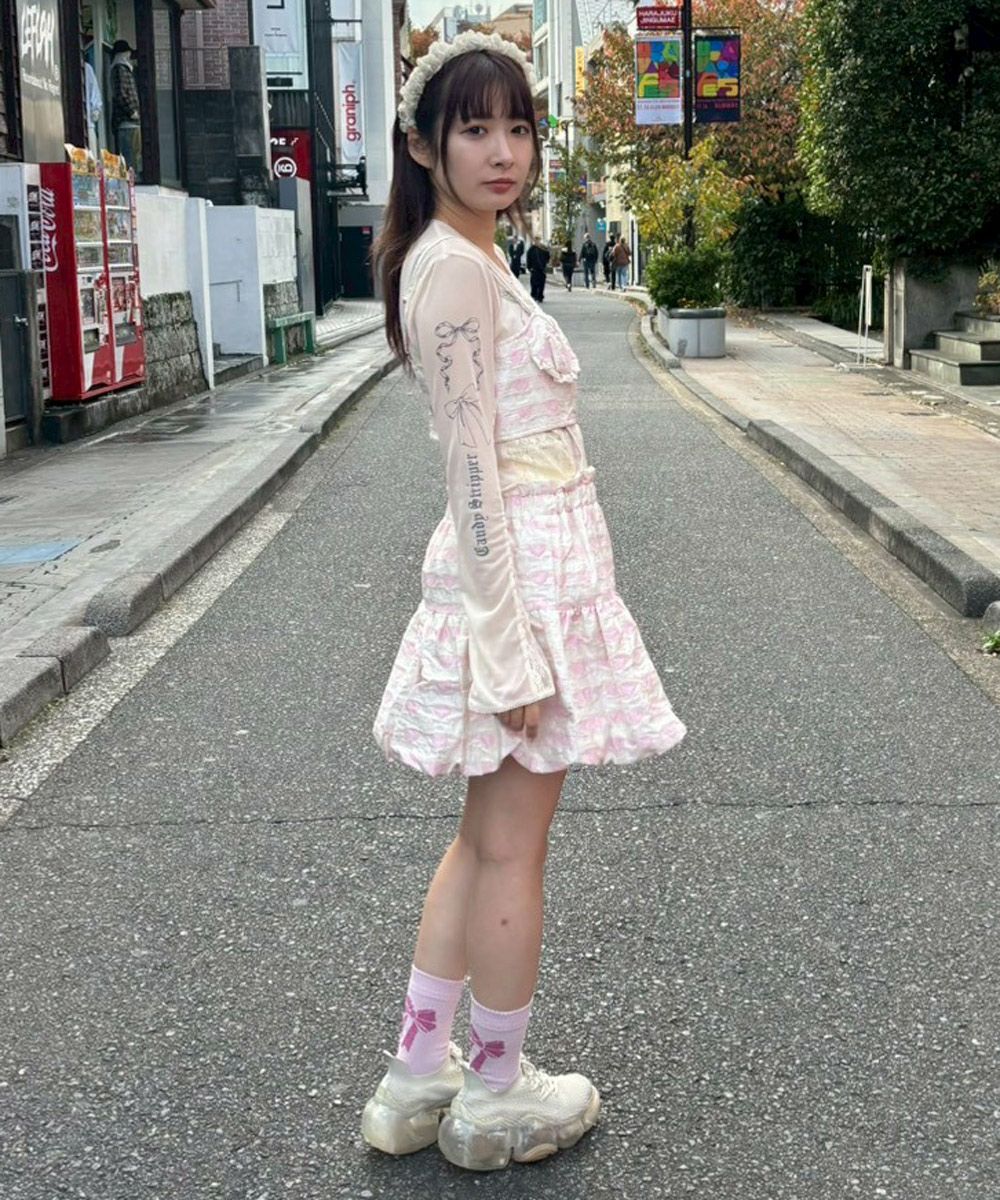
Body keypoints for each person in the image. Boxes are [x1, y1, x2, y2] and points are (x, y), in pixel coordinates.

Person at [364, 30, 686, 1173]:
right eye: (474, 128)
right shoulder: (455, 271)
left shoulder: (464, 255)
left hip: (529, 571)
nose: (503, 151)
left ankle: (418, 1072)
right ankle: (495, 1090)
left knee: (482, 837)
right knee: (511, 851)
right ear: (423, 145)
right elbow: (471, 471)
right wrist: (506, 650)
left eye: (517, 128)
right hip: (520, 581)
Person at [110, 40, 141, 175]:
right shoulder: (120, 69)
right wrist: (132, 111)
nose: (129, 55)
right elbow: (121, 94)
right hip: (126, 122)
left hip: (129, 122)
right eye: (127, 52)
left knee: (133, 155)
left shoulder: (124, 69)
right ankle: (131, 179)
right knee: (130, 156)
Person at [526, 237, 549, 302]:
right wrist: (529, 267)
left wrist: (545, 263)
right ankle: (534, 295)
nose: (537, 242)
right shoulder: (531, 249)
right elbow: (528, 258)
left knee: (541, 283)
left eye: (538, 240)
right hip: (534, 269)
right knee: (534, 283)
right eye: (536, 240)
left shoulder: (543, 248)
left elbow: (547, 256)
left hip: (542, 269)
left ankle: (540, 296)